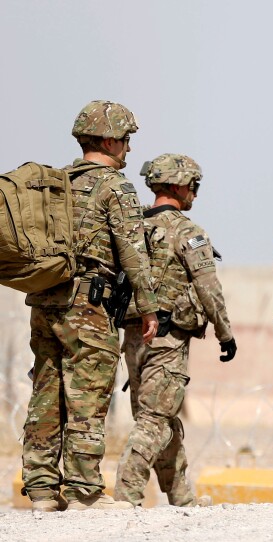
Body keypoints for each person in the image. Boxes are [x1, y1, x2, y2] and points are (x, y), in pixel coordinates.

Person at [22, 100, 159, 511]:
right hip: (87, 306)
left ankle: (42, 489)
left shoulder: (56, 182)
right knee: (88, 394)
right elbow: (133, 252)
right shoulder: (114, 186)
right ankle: (84, 491)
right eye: (126, 140)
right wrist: (148, 306)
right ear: (107, 139)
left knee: (46, 393)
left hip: (45, 301)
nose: (129, 150)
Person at [114, 153, 236, 507]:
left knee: (159, 417)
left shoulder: (131, 228)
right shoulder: (188, 232)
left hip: (134, 336)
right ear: (179, 185)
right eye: (193, 187)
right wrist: (224, 333)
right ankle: (126, 494)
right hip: (168, 338)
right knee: (155, 419)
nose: (195, 195)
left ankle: (180, 496)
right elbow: (208, 287)